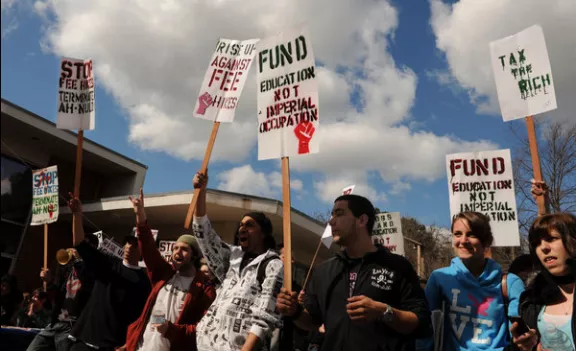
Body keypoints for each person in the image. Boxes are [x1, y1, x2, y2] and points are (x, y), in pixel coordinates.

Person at [277, 194, 431, 351]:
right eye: (332, 214)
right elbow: (312, 321)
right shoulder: (323, 271)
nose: (331, 221)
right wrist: (294, 311)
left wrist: (384, 311)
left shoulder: (398, 266)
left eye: (340, 214)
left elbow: (421, 323)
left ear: (362, 220)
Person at [192, 170, 283, 351]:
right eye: (241, 225)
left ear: (264, 233)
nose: (242, 228)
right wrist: (200, 192)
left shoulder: (273, 264)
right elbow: (204, 233)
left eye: (249, 225)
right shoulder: (231, 257)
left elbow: (266, 314)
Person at [122, 189, 216, 351]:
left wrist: (171, 330)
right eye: (175, 248)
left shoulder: (204, 290)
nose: (177, 252)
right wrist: (140, 214)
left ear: (194, 255)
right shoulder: (163, 274)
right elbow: (148, 247)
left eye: (184, 249)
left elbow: (203, 330)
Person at [422, 211, 525, 351]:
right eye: (457, 234)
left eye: (471, 234)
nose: (463, 241)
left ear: (486, 241)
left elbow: (518, 335)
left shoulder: (510, 283)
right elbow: (425, 329)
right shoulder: (439, 279)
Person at [67, 194, 151, 351]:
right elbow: (79, 243)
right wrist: (77, 215)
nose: (128, 247)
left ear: (142, 251)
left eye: (134, 244)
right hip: (83, 341)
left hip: (113, 347)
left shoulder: (145, 281)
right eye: (127, 243)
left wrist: (128, 344)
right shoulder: (107, 264)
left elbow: (142, 318)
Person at [509, 184, 575, 351]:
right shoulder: (532, 299)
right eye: (536, 243)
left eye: (552, 239)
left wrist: (543, 206)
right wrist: (523, 347)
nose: (544, 248)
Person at [26, 239, 98, 351]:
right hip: (56, 323)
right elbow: (59, 294)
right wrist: (49, 281)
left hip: (72, 327)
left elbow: (88, 284)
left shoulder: (93, 271)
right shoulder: (69, 270)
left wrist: (79, 259)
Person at [272, 244, 308, 351]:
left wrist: (300, 308)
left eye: (292, 259)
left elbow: (303, 328)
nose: (291, 262)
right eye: (286, 257)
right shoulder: (263, 281)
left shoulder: (296, 289)